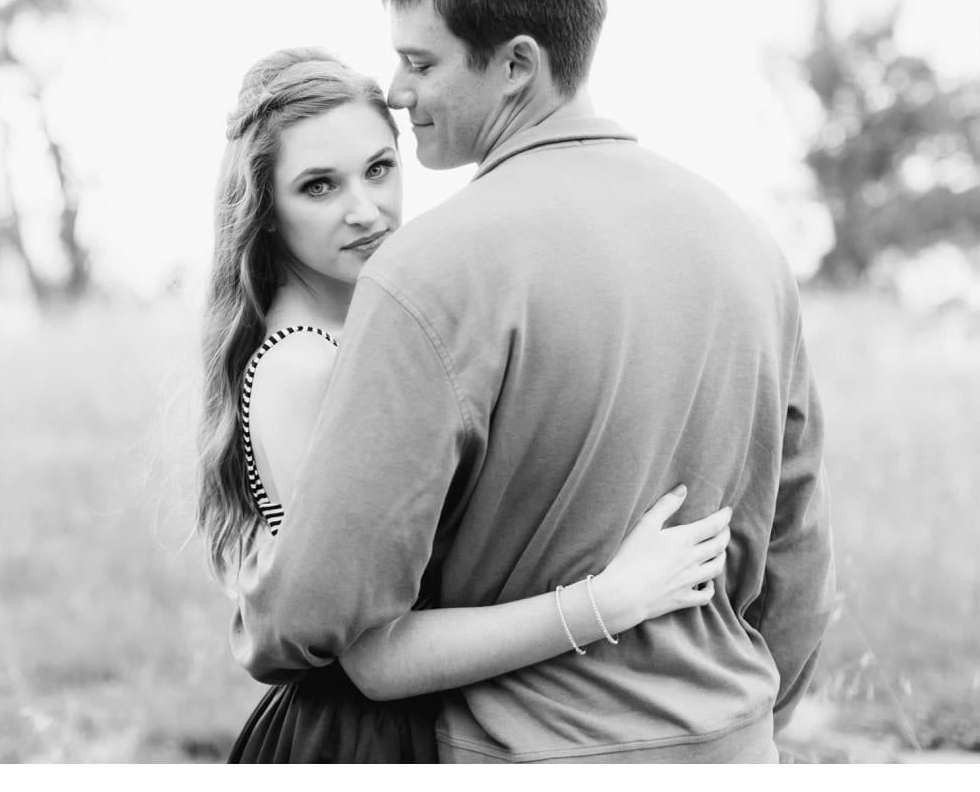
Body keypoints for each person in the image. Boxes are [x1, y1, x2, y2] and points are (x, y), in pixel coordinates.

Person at [228, 0, 835, 763]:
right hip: (732, 744)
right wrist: (741, 719)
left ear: (515, 64)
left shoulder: (430, 268)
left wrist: (260, 609)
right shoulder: (746, 241)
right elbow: (797, 546)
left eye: (419, 62)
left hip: (527, 748)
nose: (397, 94)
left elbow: (316, 617)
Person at [199, 47, 734, 763]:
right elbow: (374, 660)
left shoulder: (360, 328)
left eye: (379, 168)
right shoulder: (305, 366)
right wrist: (611, 600)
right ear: (266, 212)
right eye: (319, 186)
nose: (366, 210)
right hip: (363, 743)